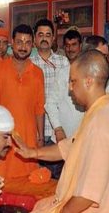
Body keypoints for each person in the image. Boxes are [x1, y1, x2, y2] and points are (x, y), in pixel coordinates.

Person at [14, 50, 109, 213]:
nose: (70, 88)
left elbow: (87, 196)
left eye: (73, 81)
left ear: (88, 82)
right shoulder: (95, 114)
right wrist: (32, 153)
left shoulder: (101, 124)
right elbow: (68, 147)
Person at [0, 24, 45, 180]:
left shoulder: (38, 73)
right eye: (19, 42)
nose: (23, 46)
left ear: (32, 45)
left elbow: (39, 109)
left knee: (28, 183)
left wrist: (40, 138)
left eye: (27, 43)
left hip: (29, 138)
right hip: (5, 138)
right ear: (12, 43)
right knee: (2, 182)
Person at [30, 18, 69, 179]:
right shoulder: (28, 63)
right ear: (34, 39)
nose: (44, 38)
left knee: (58, 179)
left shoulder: (63, 62)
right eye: (40, 35)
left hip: (58, 131)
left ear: (53, 38)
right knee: (37, 178)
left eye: (48, 35)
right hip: (34, 130)